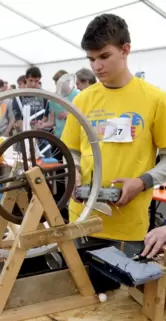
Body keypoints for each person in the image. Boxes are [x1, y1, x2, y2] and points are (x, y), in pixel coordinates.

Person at [61, 14, 166, 256]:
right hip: (82, 220)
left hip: (127, 228)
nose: (97, 66)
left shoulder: (155, 100)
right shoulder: (82, 100)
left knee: (123, 292)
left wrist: (141, 183)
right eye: (92, 59)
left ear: (125, 50)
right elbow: (72, 150)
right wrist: (74, 170)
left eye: (104, 56)